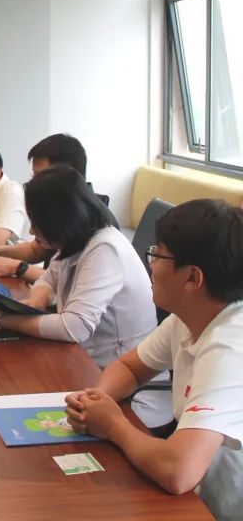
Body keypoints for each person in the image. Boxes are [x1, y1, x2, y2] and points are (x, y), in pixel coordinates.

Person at [65, 200, 243, 521]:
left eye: (158, 255)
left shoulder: (230, 346)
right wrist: (97, 400)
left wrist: (113, 425)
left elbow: (179, 471)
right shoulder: (190, 315)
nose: (150, 266)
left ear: (192, 278)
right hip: (206, 487)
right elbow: (131, 367)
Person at [0, 166, 156, 370]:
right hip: (83, 359)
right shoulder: (76, 241)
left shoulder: (105, 250)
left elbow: (74, 328)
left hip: (116, 372)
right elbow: (48, 280)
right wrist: (38, 300)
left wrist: (4, 319)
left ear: (60, 220)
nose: (32, 231)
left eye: (37, 222)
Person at [0, 133, 94, 283]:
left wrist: (18, 268)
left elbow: (72, 283)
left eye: (40, 175)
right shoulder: (56, 205)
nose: (34, 183)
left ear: (67, 174)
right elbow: (36, 250)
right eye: (34, 175)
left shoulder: (93, 224)